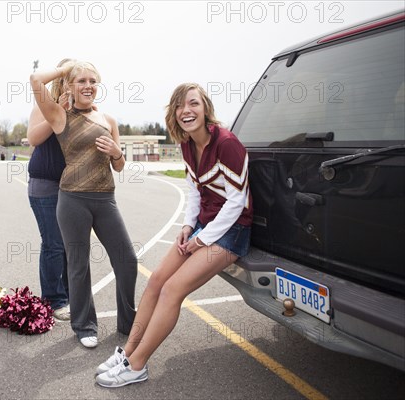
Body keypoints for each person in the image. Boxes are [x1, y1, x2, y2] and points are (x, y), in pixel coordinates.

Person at [94, 83, 253, 387]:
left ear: (205, 107)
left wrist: (203, 239)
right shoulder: (186, 145)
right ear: (174, 113)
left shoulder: (227, 143)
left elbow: (236, 202)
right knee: (156, 280)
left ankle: (138, 366)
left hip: (232, 232)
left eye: (192, 103)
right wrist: (186, 227)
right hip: (203, 228)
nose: (186, 111)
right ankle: (128, 352)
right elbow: (194, 192)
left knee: (172, 290)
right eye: (179, 106)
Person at [30, 61, 137, 348]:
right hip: (72, 198)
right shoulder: (59, 115)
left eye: (93, 80)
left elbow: (120, 167)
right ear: (69, 86)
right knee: (78, 265)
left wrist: (117, 153)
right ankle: (84, 325)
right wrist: (66, 70)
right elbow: (35, 79)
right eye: (81, 81)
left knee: (127, 260)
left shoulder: (109, 120)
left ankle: (128, 322)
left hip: (105, 198)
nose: (88, 85)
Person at [26, 59, 73, 322]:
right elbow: (34, 138)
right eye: (68, 77)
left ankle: (66, 293)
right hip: (44, 185)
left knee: (68, 244)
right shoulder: (43, 106)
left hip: (69, 186)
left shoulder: (83, 109)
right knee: (54, 244)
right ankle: (54, 300)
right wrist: (59, 109)